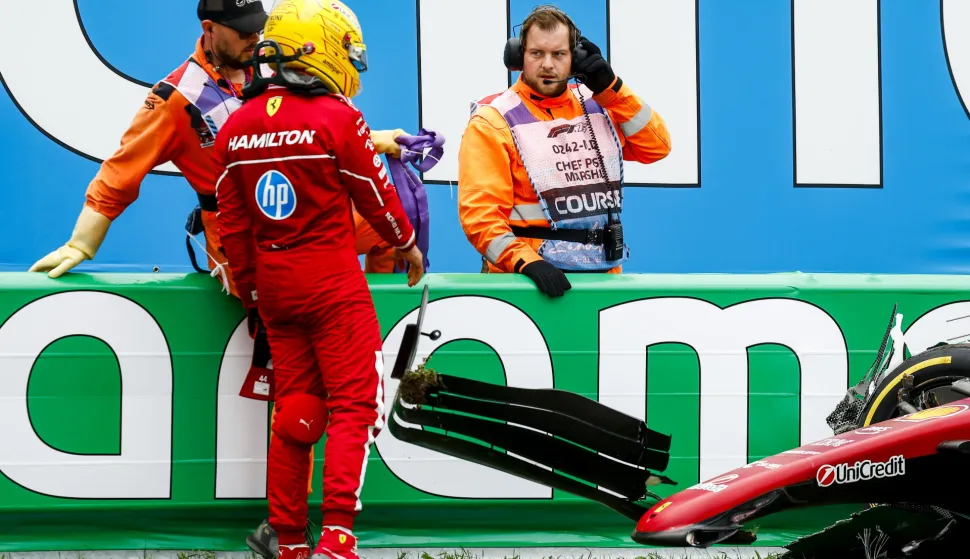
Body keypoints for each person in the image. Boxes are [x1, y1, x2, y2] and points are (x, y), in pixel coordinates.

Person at [25, 0, 410, 553]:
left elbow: (306, 136)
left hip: (285, 254)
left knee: (304, 393)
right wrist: (83, 240)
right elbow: (123, 167)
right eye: (243, 31)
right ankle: (315, 532)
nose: (255, 40)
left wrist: (373, 139)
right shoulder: (178, 96)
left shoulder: (262, 77)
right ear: (209, 29)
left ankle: (288, 530)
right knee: (332, 400)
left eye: (260, 29)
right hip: (257, 249)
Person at [212, 1, 425, 558]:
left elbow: (232, 228)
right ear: (319, 48)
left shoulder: (235, 126)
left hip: (274, 290)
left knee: (296, 410)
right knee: (355, 406)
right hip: (332, 285)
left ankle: (287, 539)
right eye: (348, 50)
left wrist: (253, 293)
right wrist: (406, 243)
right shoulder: (337, 117)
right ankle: (337, 537)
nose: (353, 62)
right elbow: (375, 195)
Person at [457, 4, 672, 297]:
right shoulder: (493, 121)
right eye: (537, 53)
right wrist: (525, 262)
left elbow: (657, 147)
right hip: (527, 282)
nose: (547, 64)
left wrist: (613, 89)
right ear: (519, 57)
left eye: (558, 54)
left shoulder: (601, 104)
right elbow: (481, 216)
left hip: (603, 278)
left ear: (576, 59)